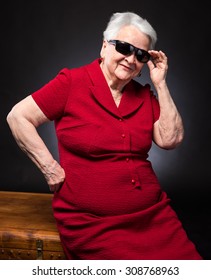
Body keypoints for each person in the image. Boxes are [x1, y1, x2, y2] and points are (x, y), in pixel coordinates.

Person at [6, 11, 202, 260]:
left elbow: (170, 139)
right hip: (93, 223)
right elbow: (18, 116)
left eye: (140, 55)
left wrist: (160, 83)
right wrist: (49, 167)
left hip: (152, 216)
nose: (131, 59)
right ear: (104, 46)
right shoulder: (72, 82)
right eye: (124, 47)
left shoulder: (144, 95)